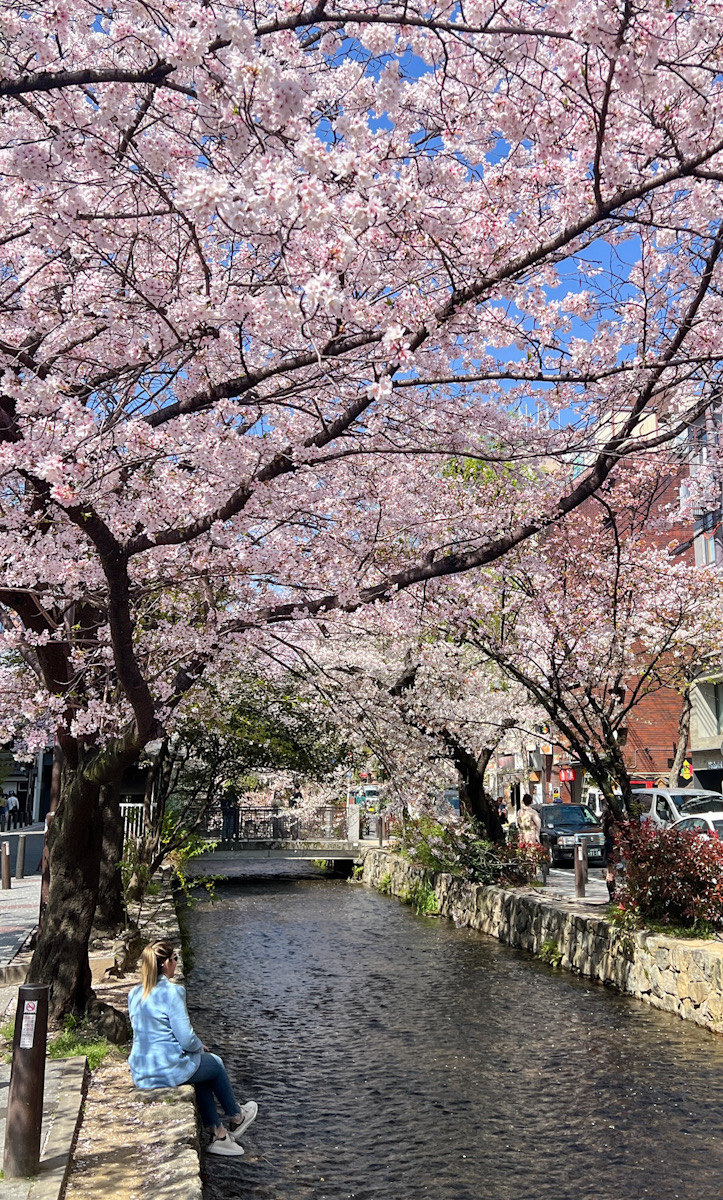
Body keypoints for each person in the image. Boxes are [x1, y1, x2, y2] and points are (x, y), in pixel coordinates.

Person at [128, 940, 257, 1157]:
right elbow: (186, 1038)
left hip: (142, 1072)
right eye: (175, 959)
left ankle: (220, 1135)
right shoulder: (172, 992)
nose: (177, 963)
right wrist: (199, 1047)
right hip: (167, 1069)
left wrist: (194, 1050)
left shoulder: (134, 994)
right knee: (214, 1063)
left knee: (200, 1073)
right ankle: (237, 1115)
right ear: (166, 964)